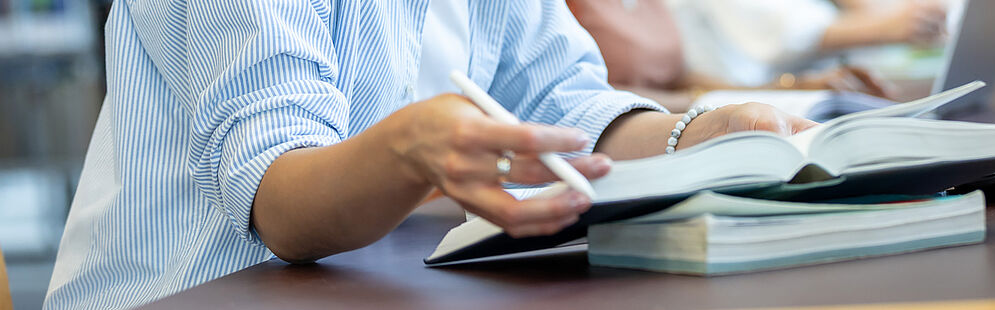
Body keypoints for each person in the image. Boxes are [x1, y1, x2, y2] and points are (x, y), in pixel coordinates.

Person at [43, 1, 815, 308]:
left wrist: (696, 134)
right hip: (190, 294)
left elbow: (564, 105)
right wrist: (409, 150)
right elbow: (279, 204)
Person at [568, 0, 944, 112]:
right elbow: (594, 96)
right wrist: (717, 105)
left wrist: (788, 88)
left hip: (685, 114)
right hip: (635, 141)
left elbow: (681, 75)